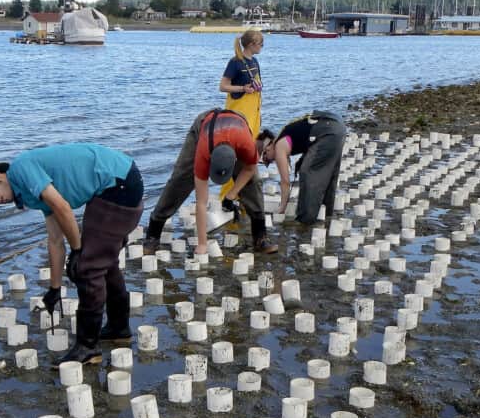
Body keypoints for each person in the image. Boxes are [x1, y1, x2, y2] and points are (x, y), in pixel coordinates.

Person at [0, 143, 144, 366]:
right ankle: (119, 328)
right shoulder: (29, 193)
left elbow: (63, 207)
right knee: (103, 260)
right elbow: (55, 240)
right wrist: (54, 288)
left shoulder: (20, 169)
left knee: (88, 267)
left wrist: (78, 251)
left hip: (118, 184)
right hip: (119, 182)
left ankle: (88, 347)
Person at [144, 108, 278, 255]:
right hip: (204, 126)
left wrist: (231, 194)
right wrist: (202, 244)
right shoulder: (203, 153)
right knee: (181, 179)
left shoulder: (246, 146)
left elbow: (249, 170)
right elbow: (201, 201)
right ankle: (153, 232)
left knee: (253, 182)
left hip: (238, 124)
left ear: (235, 159)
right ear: (210, 161)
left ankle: (260, 237)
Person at [257, 110, 347, 224]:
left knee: (307, 172)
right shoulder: (284, 135)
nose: (271, 160)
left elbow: (285, 182)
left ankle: (305, 220)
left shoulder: (278, 146)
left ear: (267, 148)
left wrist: (282, 208)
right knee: (330, 171)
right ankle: (326, 213)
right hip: (336, 126)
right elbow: (307, 138)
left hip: (327, 130)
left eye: (267, 159)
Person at [217, 30, 264, 201]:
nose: (262, 47)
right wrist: (242, 89)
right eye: (261, 44)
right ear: (252, 44)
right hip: (238, 113)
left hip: (253, 114)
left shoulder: (255, 61)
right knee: (235, 155)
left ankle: (241, 192)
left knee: (249, 155)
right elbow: (223, 86)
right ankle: (226, 195)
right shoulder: (235, 62)